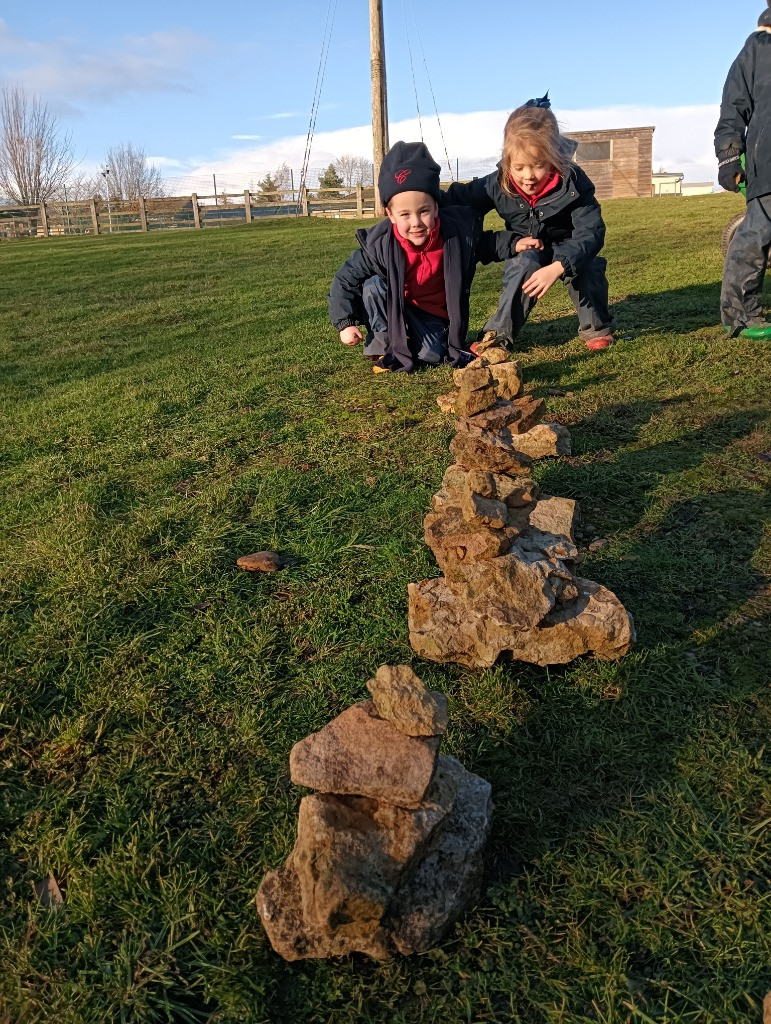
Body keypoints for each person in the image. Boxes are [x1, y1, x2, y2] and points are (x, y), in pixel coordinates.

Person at [328, 141, 518, 373]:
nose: (416, 222)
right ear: (390, 215)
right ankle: (383, 344)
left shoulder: (454, 236)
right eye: (405, 214)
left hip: (433, 315)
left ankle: (413, 339)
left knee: (432, 354)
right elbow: (344, 280)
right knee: (374, 286)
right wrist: (345, 323)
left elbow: (485, 245)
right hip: (397, 305)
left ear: (436, 208)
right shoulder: (380, 244)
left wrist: (515, 242)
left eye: (424, 211)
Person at [443, 96, 615, 351]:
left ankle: (596, 327)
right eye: (519, 167)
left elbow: (591, 230)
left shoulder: (574, 182)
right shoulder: (497, 183)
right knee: (524, 264)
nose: (528, 176)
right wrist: (419, 195)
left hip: (569, 246)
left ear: (554, 157)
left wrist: (559, 265)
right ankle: (499, 335)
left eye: (538, 165)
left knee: (587, 268)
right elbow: (458, 200)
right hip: (527, 246)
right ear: (507, 159)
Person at [714, 2, 771, 339]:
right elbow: (733, 107)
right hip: (767, 163)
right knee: (755, 238)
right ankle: (740, 315)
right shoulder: (758, 48)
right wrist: (730, 157)